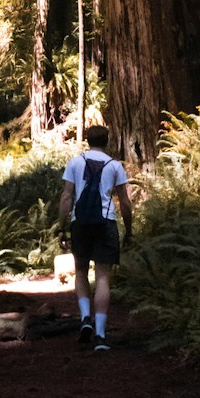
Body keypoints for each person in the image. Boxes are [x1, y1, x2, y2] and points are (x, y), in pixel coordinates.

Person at [58, 125, 133, 352]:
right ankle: (100, 335)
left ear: (87, 140)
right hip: (106, 223)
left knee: (80, 271)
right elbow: (125, 202)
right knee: (102, 277)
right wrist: (129, 230)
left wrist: (62, 228)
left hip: (79, 223)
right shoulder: (115, 166)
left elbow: (66, 196)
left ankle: (84, 319)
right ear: (107, 140)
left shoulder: (75, 162)